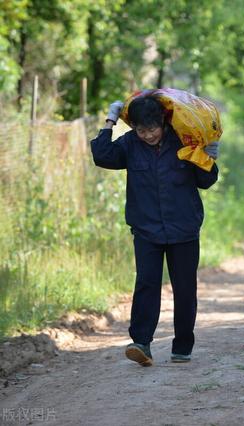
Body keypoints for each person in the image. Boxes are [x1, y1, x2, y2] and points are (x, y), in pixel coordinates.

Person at [91, 95, 220, 366]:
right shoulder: (130, 144)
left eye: (152, 129)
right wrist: (110, 120)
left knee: (184, 289)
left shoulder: (186, 139)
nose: (147, 135)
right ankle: (141, 343)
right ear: (134, 128)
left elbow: (206, 181)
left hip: (184, 227)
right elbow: (102, 155)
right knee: (147, 284)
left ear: (163, 122)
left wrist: (209, 157)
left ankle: (182, 346)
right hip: (146, 228)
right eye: (140, 130)